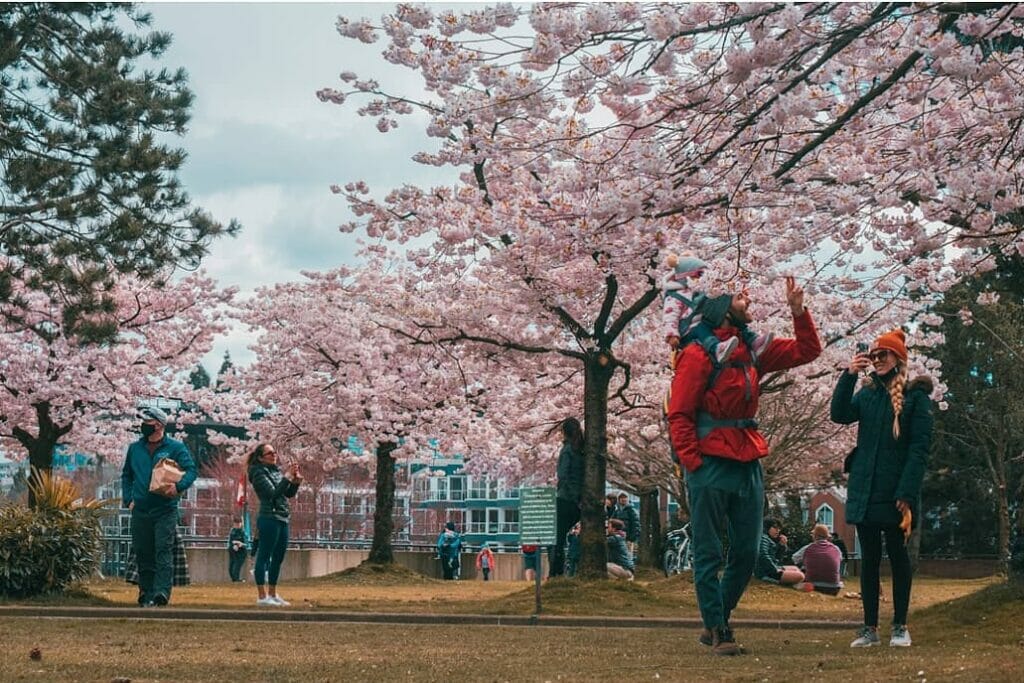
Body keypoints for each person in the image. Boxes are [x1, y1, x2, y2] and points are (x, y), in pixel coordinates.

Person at [666, 276, 822, 656]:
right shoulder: (698, 353)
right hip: (709, 461)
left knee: (748, 552)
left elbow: (807, 350)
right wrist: (693, 463)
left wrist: (798, 311)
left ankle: (715, 616)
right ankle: (720, 630)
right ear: (721, 308)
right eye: (739, 296)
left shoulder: (752, 349)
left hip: (747, 457)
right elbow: (680, 413)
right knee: (708, 552)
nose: (748, 298)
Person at [831, 329, 933, 648]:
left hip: (896, 492)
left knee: (899, 557)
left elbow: (919, 450)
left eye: (883, 355)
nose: (877, 361)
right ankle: (870, 628)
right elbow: (839, 414)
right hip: (866, 488)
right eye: (874, 356)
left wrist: (906, 492)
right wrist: (849, 375)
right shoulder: (867, 393)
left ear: (898, 358)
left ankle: (900, 626)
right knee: (870, 559)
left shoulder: (916, 399)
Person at [120, 406, 197, 607]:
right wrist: (128, 499)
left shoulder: (176, 448)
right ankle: (145, 592)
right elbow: (127, 475)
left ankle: (162, 592)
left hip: (165, 509)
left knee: (163, 550)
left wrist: (178, 486)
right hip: (140, 509)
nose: (143, 426)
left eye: (148, 422)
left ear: (159, 425)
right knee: (143, 551)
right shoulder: (135, 448)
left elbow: (191, 470)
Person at [662, 253, 772, 369]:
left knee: (735, 321)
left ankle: (754, 341)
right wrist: (672, 335)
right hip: (688, 331)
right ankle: (716, 349)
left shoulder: (699, 290)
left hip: (705, 320)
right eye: (700, 275)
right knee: (701, 329)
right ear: (686, 277)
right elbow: (670, 317)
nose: (704, 279)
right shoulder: (675, 296)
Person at [247, 443, 302, 606]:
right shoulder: (257, 473)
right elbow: (272, 494)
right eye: (270, 453)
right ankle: (262, 596)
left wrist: (296, 482)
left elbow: (286, 494)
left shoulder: (275, 471)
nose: (274, 455)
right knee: (264, 556)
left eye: (274, 452)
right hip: (269, 517)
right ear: (260, 457)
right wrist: (287, 477)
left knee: (278, 557)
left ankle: (272, 592)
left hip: (282, 516)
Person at [550, 417, 584, 578]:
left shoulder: (567, 450)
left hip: (565, 499)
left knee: (556, 538)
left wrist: (568, 491)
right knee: (562, 536)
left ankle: (555, 572)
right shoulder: (582, 450)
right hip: (578, 502)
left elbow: (562, 475)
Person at [792, 524, 843, 595]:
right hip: (834, 588)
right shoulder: (836, 549)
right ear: (827, 537)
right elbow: (839, 560)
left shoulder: (807, 548)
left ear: (815, 536)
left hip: (813, 586)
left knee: (795, 581)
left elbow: (794, 559)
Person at [756, 518, 804, 586]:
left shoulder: (768, 539)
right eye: (775, 528)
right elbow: (763, 555)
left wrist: (782, 546)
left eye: (779, 529)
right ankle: (776, 581)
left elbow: (777, 558)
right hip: (766, 572)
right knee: (800, 576)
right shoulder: (764, 538)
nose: (777, 531)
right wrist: (775, 569)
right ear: (767, 527)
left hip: (770, 569)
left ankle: (791, 583)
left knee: (795, 569)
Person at [612, 492, 641, 561]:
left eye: (625, 497)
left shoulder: (631, 511)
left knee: (627, 555)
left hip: (628, 537)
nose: (623, 499)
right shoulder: (617, 511)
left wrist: (631, 538)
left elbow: (636, 525)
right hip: (618, 537)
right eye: (621, 498)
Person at [227, 517, 248, 582]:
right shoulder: (232, 531)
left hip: (241, 553)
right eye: (236, 524)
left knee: (236, 567)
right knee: (231, 568)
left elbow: (246, 543)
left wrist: (240, 544)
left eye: (239, 524)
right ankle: (234, 579)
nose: (237, 525)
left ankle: (237, 580)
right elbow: (230, 541)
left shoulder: (243, 532)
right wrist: (233, 546)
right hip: (233, 552)